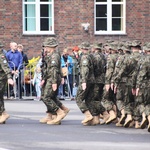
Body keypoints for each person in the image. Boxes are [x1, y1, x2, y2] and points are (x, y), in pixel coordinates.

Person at [40, 37, 69, 125]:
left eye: (46, 46)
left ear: (51, 47)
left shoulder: (54, 56)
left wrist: (54, 82)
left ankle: (59, 112)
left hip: (53, 78)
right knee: (50, 97)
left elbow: (54, 70)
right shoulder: (49, 55)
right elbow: (46, 68)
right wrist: (44, 79)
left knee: (46, 97)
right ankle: (51, 114)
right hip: (49, 78)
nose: (45, 48)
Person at [75, 42, 95, 125]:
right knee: (88, 100)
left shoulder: (85, 57)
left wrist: (84, 81)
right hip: (91, 80)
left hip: (86, 80)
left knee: (78, 98)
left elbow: (85, 69)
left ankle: (88, 115)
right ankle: (92, 119)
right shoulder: (91, 56)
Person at [0, 41, 14, 124]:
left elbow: (6, 67)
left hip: (1, 78)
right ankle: (2, 114)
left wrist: (9, 78)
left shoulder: (1, 56)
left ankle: (3, 113)